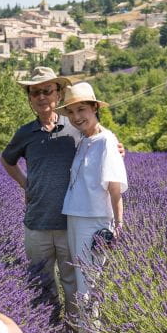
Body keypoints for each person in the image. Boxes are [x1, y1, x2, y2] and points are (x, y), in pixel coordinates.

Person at [0, 66, 80, 323]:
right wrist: (25, 184)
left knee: (74, 285)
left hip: (72, 222)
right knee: (42, 284)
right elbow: (7, 159)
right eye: (35, 93)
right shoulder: (25, 133)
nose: (41, 97)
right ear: (30, 98)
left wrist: (116, 148)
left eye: (47, 91)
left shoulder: (74, 128)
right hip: (37, 223)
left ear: (59, 93)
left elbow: (100, 143)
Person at [57, 82, 127, 312]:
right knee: (81, 282)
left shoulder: (106, 141)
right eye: (71, 112)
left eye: (82, 109)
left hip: (94, 220)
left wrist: (119, 225)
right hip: (75, 218)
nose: (76, 117)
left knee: (89, 286)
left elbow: (115, 189)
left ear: (95, 108)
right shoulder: (83, 140)